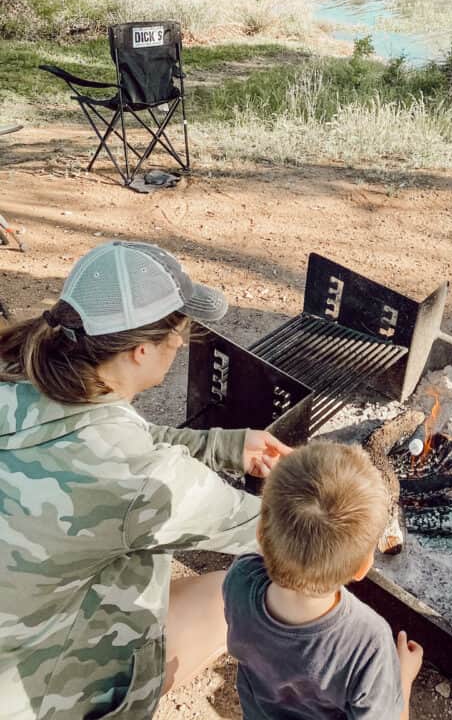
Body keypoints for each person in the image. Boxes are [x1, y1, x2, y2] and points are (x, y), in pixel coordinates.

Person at [0, 240, 291, 720]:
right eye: (177, 332)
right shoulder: (142, 479)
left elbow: (110, 435)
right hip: (30, 698)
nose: (181, 342)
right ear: (140, 352)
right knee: (244, 586)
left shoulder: (26, 367)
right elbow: (280, 534)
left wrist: (224, 447)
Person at [223, 440, 424, 719]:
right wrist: (404, 677)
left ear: (259, 533)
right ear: (364, 566)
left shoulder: (240, 578)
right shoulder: (368, 642)